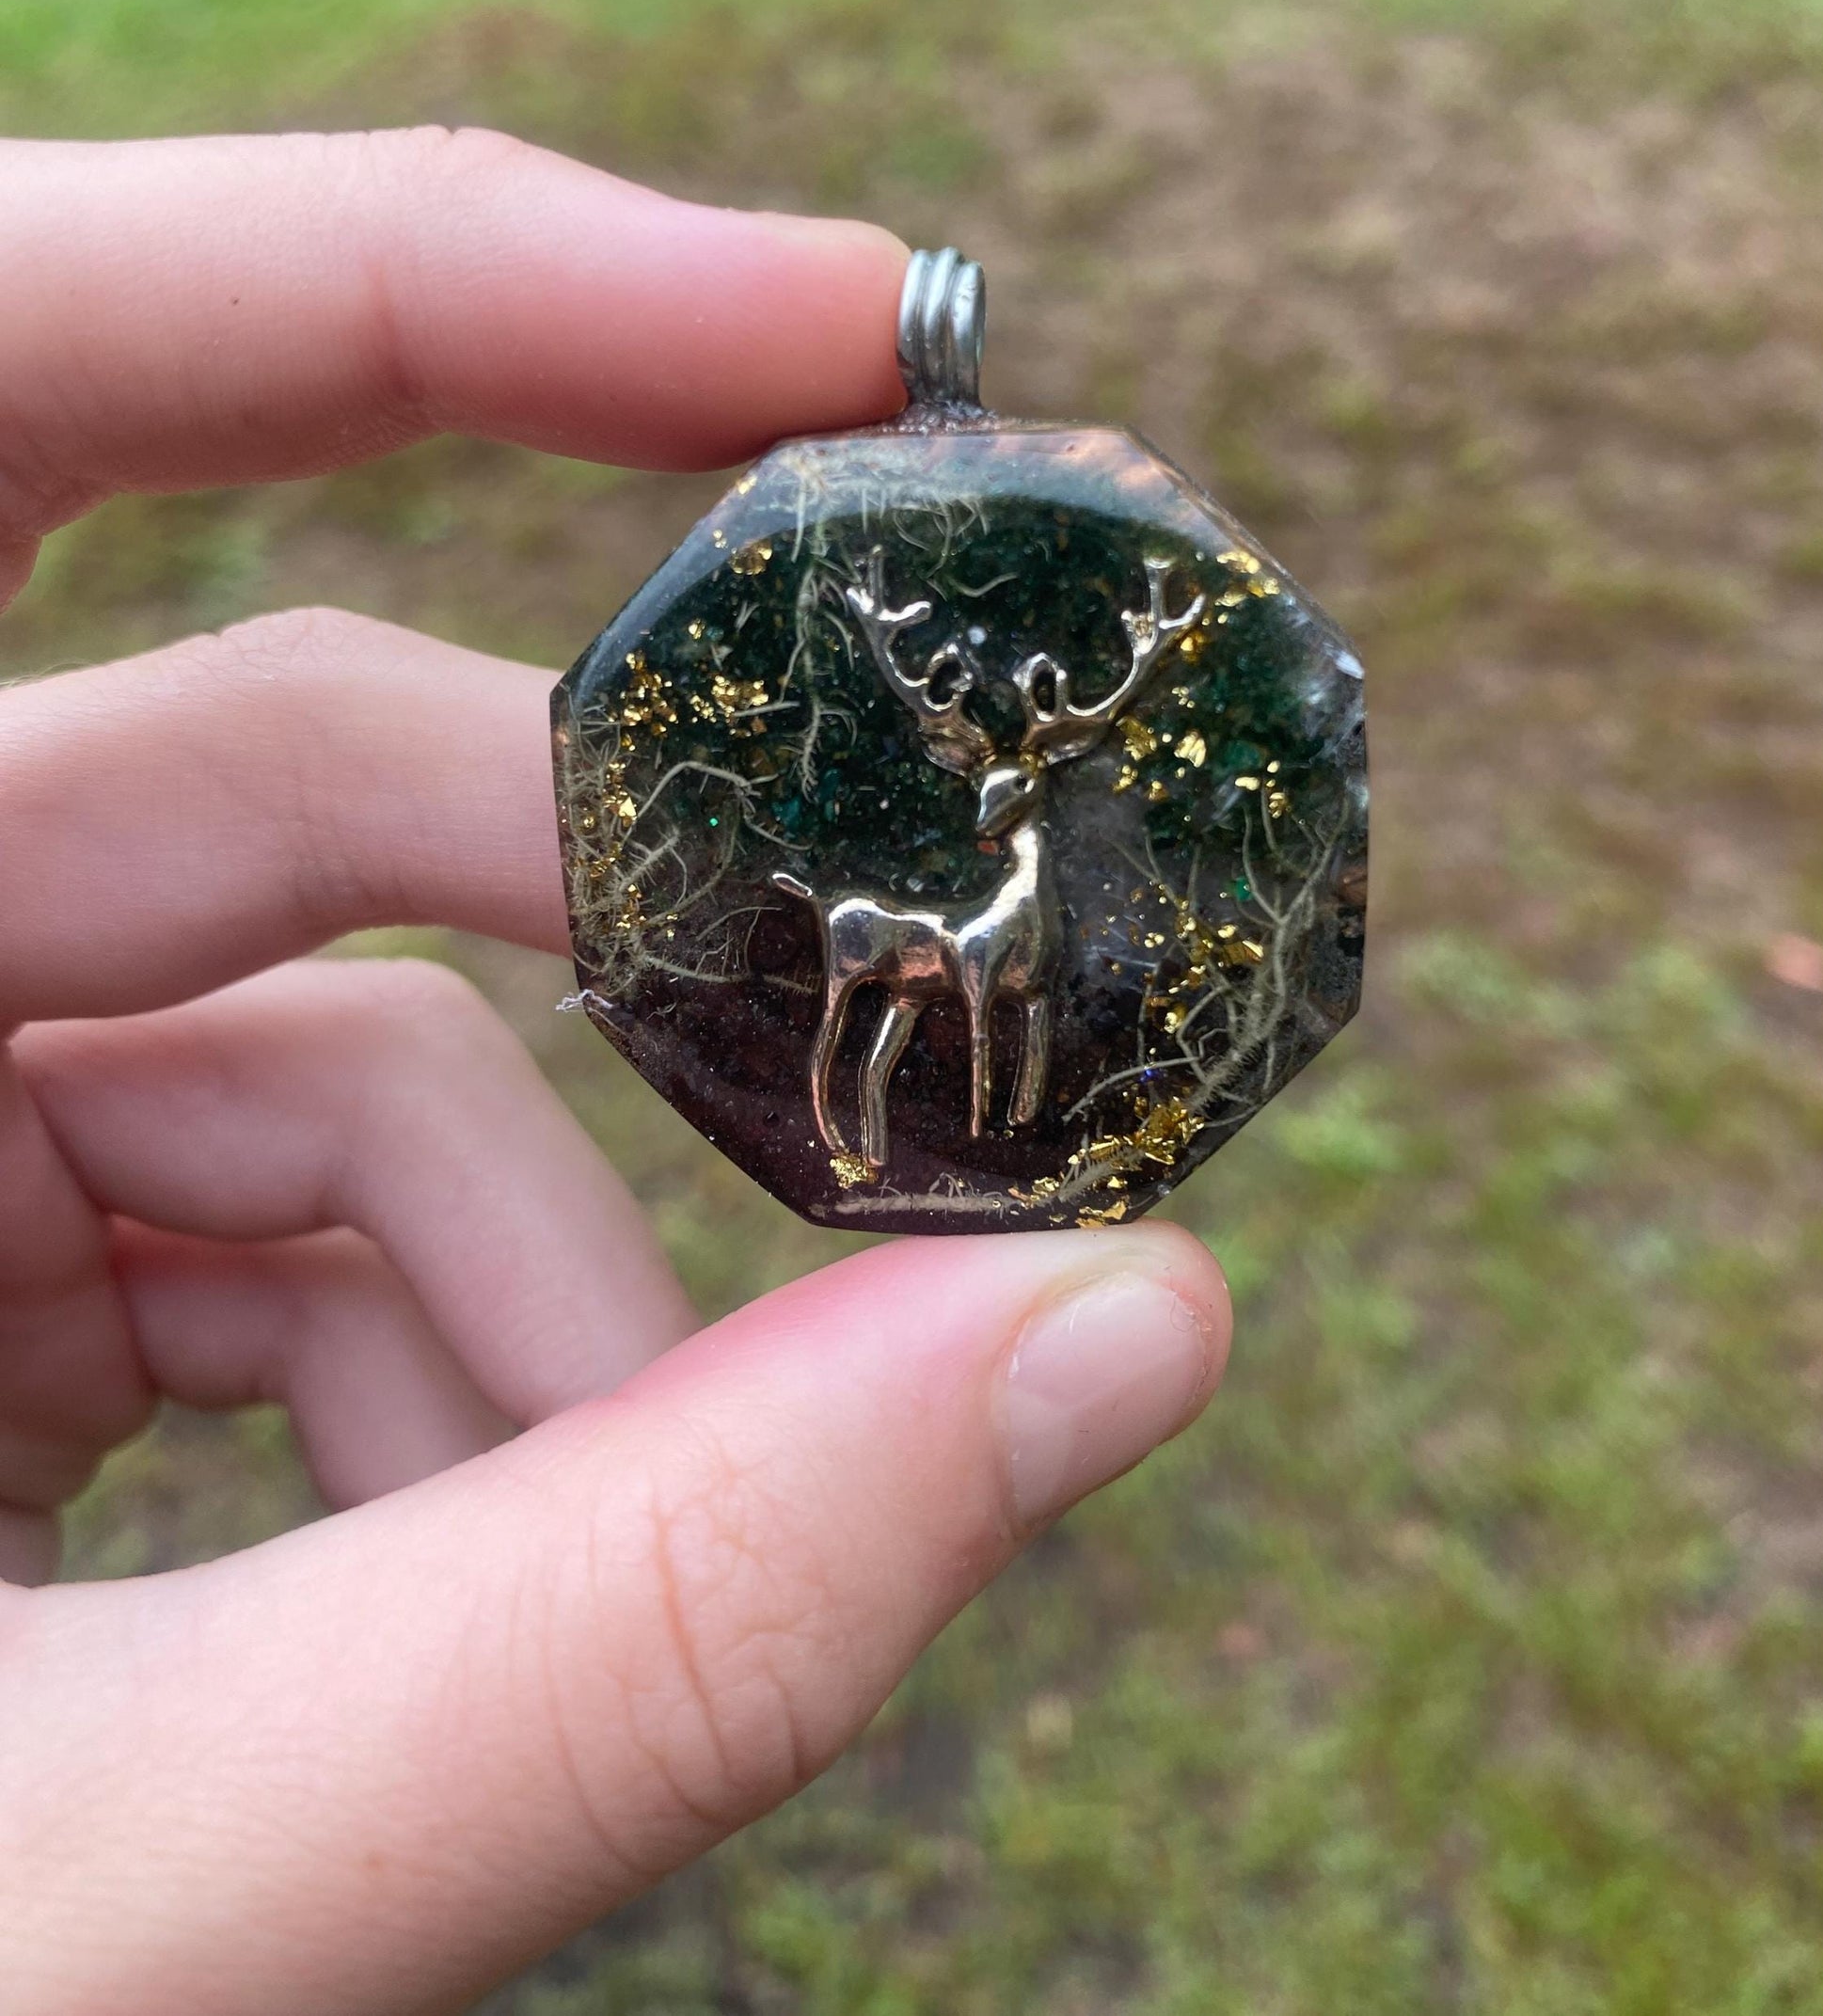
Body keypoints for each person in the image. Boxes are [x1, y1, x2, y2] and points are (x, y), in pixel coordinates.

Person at [0, 128, 1229, 2013]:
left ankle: (940, 1121)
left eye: (1018, 779)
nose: (1004, 785)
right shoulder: (928, 820)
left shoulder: (1044, 808)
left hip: (984, 925)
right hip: (909, 920)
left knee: (977, 1019)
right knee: (872, 1025)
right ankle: (872, 1120)